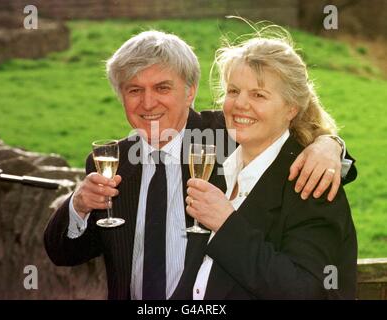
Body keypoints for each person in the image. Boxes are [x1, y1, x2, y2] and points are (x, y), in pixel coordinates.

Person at [44, 30, 357, 300]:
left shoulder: (226, 138)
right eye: (134, 90)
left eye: (163, 88)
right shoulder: (113, 163)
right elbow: (63, 253)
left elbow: (288, 131)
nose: (148, 103)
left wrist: (329, 145)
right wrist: (79, 206)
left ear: (190, 91)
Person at [181, 26, 357, 299]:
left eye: (258, 95)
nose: (240, 104)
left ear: (291, 108)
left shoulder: (312, 182)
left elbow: (306, 291)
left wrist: (227, 225)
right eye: (233, 91)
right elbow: (161, 115)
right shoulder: (215, 151)